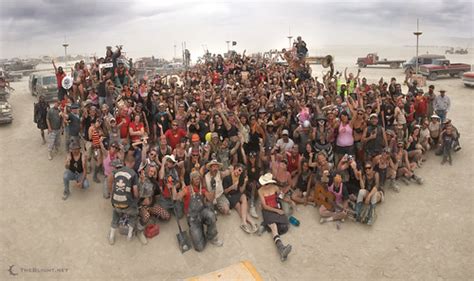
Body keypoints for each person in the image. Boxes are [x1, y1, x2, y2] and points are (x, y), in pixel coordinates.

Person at [176, 171, 223, 251]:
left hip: (202, 213)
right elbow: (177, 197)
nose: (197, 179)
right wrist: (176, 189)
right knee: (200, 248)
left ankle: (211, 236)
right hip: (193, 218)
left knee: (211, 215)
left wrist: (214, 188)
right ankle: (195, 231)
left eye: (198, 178)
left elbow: (211, 199)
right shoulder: (187, 189)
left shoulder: (202, 189)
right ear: (191, 180)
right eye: (195, 178)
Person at [107, 155, 147, 245]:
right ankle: (129, 235)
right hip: (126, 205)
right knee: (134, 213)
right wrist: (135, 199)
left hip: (115, 203)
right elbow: (136, 192)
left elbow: (109, 179)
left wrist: (111, 193)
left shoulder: (117, 171)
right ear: (133, 163)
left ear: (124, 162)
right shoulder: (133, 174)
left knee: (116, 213)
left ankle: (111, 236)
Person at [257, 173, 292, 262]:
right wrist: (277, 211)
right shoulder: (260, 191)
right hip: (268, 210)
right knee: (274, 227)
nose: (265, 185)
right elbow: (264, 206)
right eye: (265, 183)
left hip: (276, 207)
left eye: (267, 183)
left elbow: (280, 196)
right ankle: (281, 249)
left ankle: (265, 225)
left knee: (284, 227)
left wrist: (288, 200)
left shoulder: (275, 187)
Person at [223, 164, 257, 234]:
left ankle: (244, 222)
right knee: (238, 206)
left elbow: (241, 190)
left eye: (241, 172)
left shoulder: (240, 178)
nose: (239, 173)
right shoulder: (227, 178)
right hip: (230, 196)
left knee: (244, 197)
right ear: (235, 168)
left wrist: (245, 182)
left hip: (237, 193)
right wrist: (232, 187)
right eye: (239, 170)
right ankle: (250, 222)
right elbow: (225, 191)